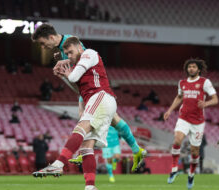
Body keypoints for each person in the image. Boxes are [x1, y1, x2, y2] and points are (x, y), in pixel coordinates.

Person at [32, 24, 146, 173]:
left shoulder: (72, 44)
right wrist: (63, 61)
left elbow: (83, 68)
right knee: (114, 120)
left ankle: (76, 155)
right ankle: (136, 150)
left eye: (42, 43)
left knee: (87, 121)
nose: (42, 47)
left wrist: (81, 98)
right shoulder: (63, 48)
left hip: (93, 90)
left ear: (51, 37)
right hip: (88, 91)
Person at [33, 37, 118, 190]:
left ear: (79, 47)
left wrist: (64, 67)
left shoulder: (89, 53)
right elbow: (76, 87)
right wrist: (65, 73)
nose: (70, 56)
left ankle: (58, 164)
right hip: (99, 101)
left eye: (71, 52)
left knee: (79, 129)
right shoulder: (81, 65)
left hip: (101, 96)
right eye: (67, 53)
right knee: (86, 147)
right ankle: (90, 187)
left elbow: (73, 77)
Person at [164, 58, 218, 189]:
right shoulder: (182, 83)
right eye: (189, 67)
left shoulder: (204, 82)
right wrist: (170, 110)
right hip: (183, 118)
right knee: (177, 140)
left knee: (195, 151)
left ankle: (191, 174)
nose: (191, 69)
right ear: (187, 69)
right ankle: (174, 170)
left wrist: (206, 103)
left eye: (194, 67)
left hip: (198, 122)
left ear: (198, 69)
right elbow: (179, 97)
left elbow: (215, 99)